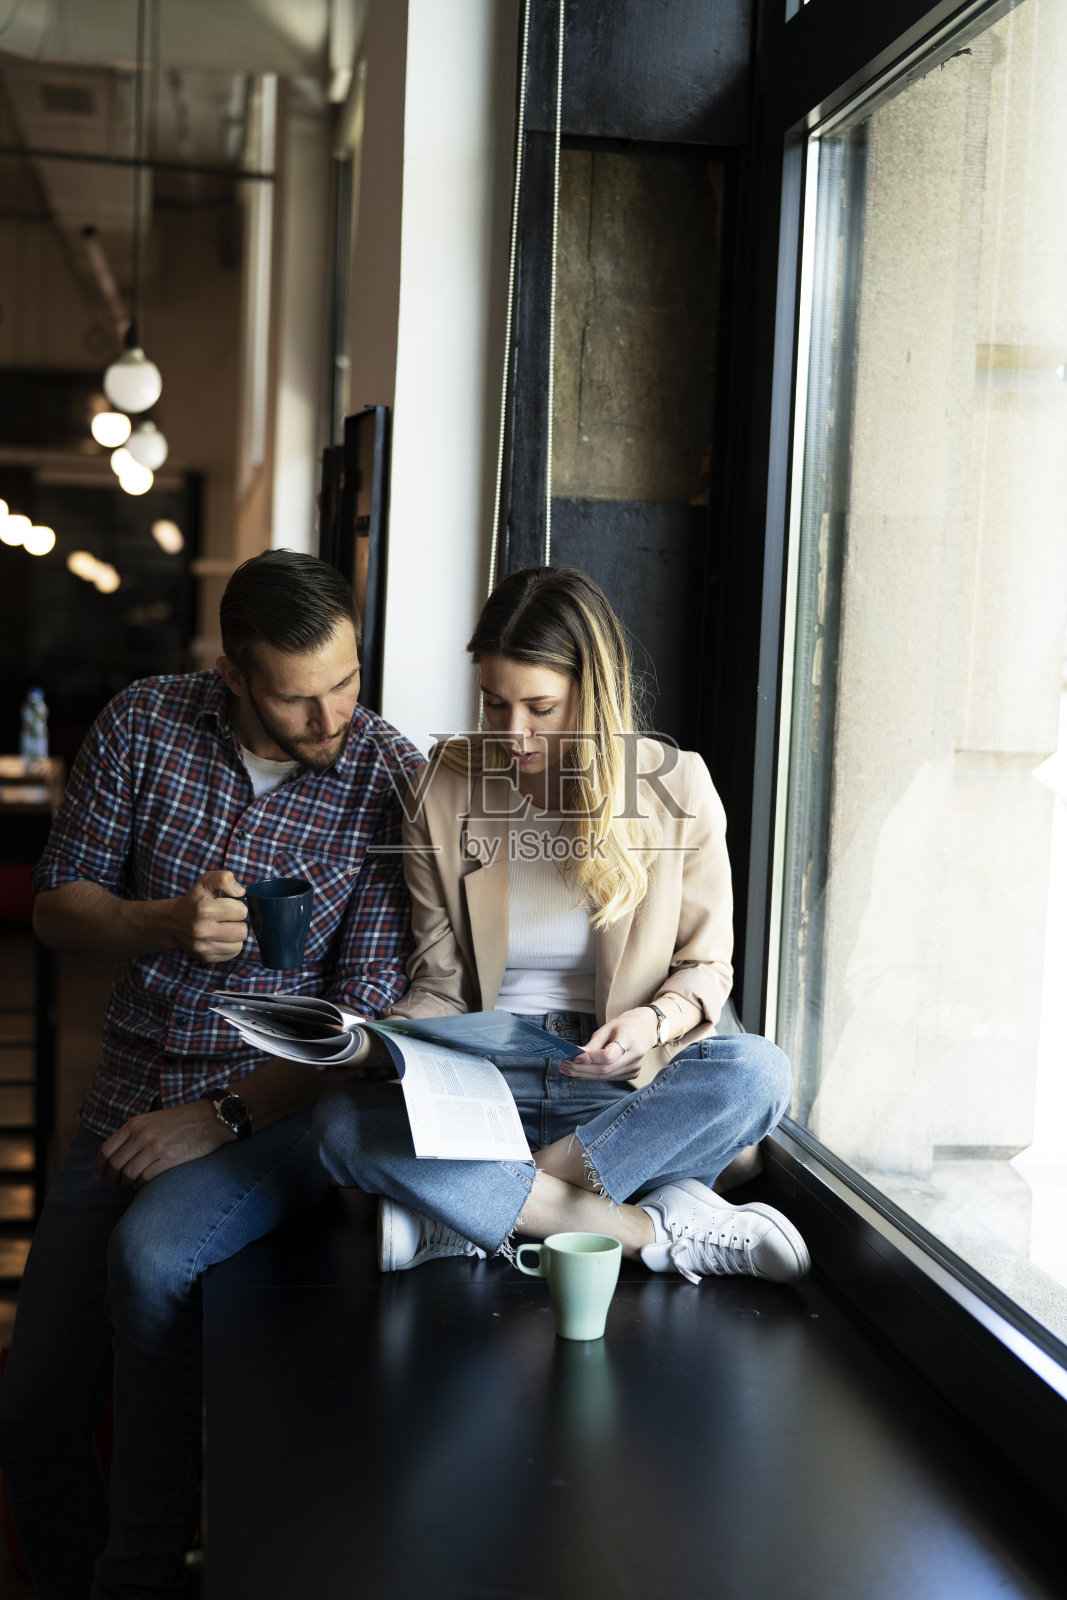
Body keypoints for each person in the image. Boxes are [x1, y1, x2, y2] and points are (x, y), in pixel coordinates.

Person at [0, 549, 422, 1600]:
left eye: (346, 682)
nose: (331, 719)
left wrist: (221, 1113)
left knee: (149, 1265)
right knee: (31, 1416)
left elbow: (362, 1021)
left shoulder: (388, 778)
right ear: (231, 674)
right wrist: (161, 923)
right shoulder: (145, 722)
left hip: (270, 1111)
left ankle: (141, 1575)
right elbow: (56, 908)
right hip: (122, 1095)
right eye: (296, 698)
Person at [313, 566, 809, 1285]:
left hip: (620, 1090)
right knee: (338, 1122)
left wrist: (650, 1024)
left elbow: (706, 967)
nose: (512, 733)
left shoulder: (677, 786)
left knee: (758, 1073)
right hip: (488, 1080)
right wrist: (382, 1037)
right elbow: (440, 984)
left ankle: (480, 1209)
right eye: (494, 704)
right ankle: (647, 1228)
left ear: (592, 694)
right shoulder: (443, 786)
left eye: (540, 707)